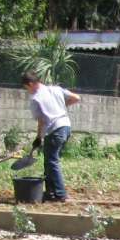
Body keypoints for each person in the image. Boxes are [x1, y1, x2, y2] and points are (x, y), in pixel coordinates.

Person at [21, 72, 80, 203]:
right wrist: (60, 108)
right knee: (49, 160)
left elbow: (41, 120)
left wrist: (38, 137)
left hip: (54, 129)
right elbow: (76, 98)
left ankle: (60, 194)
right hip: (66, 127)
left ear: (30, 84)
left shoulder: (35, 98)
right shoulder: (55, 89)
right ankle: (50, 192)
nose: (28, 90)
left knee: (52, 161)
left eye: (27, 87)